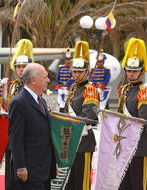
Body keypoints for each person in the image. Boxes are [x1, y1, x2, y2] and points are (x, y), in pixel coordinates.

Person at [8, 63, 57, 190]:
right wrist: (20, 166)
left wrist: (53, 163)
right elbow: (15, 137)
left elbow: (45, 135)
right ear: (34, 80)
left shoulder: (42, 100)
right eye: (45, 77)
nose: (48, 80)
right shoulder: (19, 102)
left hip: (44, 170)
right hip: (29, 171)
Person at [118, 38, 147, 190]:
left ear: (141, 72)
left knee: (137, 186)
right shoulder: (123, 90)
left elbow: (143, 121)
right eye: (129, 71)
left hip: (139, 148)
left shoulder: (144, 92)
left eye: (135, 71)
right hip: (123, 147)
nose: (131, 74)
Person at [64, 41, 99, 190]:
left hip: (84, 142)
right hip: (70, 142)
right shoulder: (72, 88)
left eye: (80, 72)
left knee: (82, 184)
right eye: (74, 71)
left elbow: (89, 116)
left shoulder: (90, 90)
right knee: (69, 183)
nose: (76, 74)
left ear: (87, 72)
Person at [5, 39, 34, 190]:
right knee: (9, 179)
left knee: (22, 179)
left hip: (25, 138)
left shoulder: (34, 86)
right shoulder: (11, 86)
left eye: (24, 66)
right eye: (18, 66)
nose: (21, 69)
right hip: (10, 136)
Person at [55, 48, 73, 112]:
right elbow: (57, 78)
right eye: (66, 59)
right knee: (60, 102)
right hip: (61, 87)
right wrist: (57, 86)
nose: (67, 61)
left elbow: (72, 79)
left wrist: (69, 87)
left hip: (68, 88)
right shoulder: (61, 68)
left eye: (69, 59)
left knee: (67, 102)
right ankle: (61, 111)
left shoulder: (72, 69)